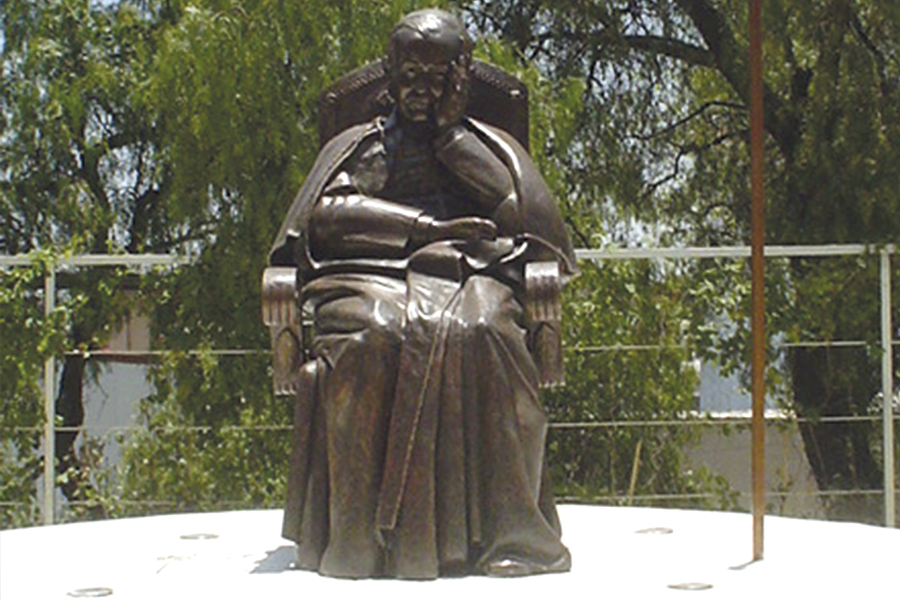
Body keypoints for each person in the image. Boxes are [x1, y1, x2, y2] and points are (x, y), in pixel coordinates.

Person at [268, 9, 576, 579]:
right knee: (373, 333)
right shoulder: (365, 144)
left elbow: (521, 218)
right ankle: (359, 541)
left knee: (486, 330)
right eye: (410, 75)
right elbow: (324, 218)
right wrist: (423, 228)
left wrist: (452, 138)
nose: (421, 90)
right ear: (390, 72)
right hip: (366, 272)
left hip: (472, 270)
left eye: (438, 78)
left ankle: (515, 536)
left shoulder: (487, 145)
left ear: (461, 78)